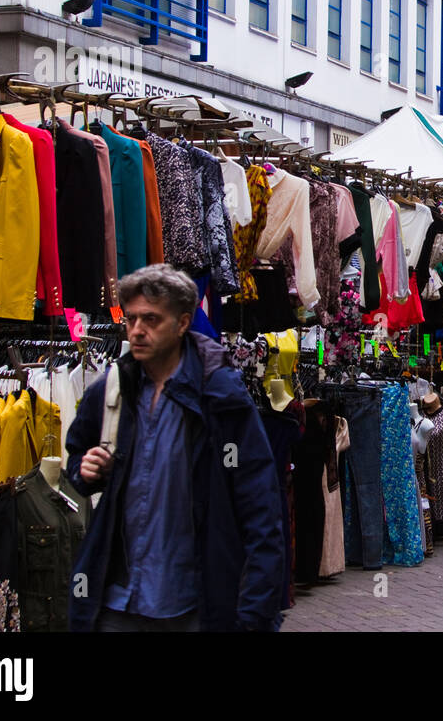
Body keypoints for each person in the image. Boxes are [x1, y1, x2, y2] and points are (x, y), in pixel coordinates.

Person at [66, 264, 286, 632]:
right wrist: (85, 469)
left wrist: (254, 612)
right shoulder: (112, 388)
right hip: (118, 602)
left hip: (192, 604)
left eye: (151, 320)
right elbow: (77, 453)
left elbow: (260, 508)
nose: (137, 330)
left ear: (183, 323)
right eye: (132, 319)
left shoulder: (220, 397)